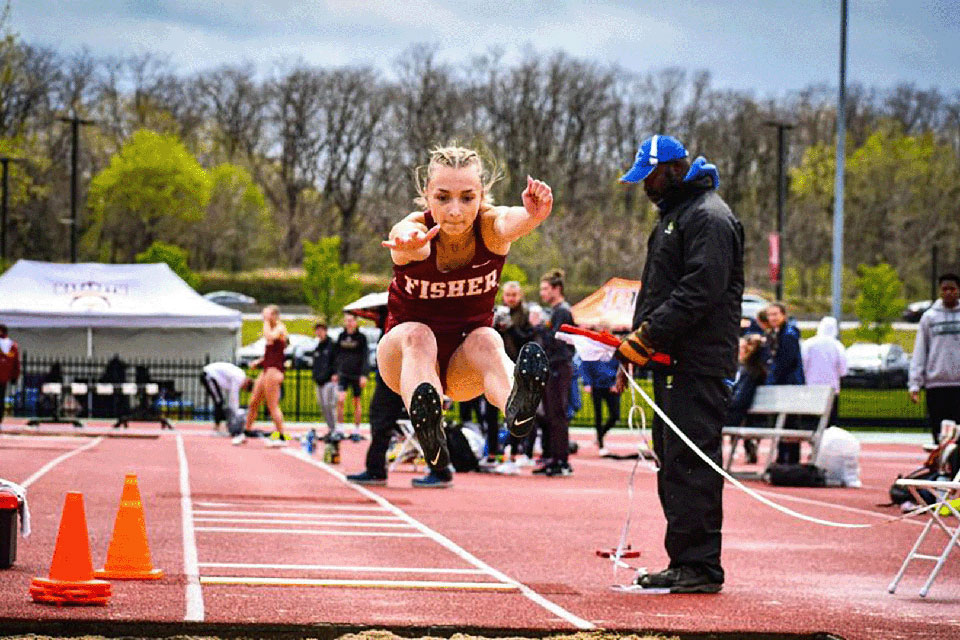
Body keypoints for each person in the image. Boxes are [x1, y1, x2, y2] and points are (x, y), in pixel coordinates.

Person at [377, 144, 552, 488]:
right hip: (404, 360)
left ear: (481, 195)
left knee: (487, 338)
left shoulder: (488, 227)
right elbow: (405, 237)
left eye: (467, 198)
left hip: (461, 365)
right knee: (418, 334)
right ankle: (430, 429)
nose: (455, 211)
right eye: (443, 198)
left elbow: (508, 222)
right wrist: (407, 243)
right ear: (426, 195)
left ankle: (515, 408)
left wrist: (534, 215)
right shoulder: (414, 228)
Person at [614, 134, 743, 593]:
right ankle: (684, 560)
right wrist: (634, 344)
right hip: (671, 361)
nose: (644, 186)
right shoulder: (676, 216)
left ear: (670, 169)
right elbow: (655, 291)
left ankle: (701, 567)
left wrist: (648, 336)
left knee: (692, 464)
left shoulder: (708, 216)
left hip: (697, 363)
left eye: (648, 176)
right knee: (673, 463)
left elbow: (700, 290)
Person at [533, 269, 576, 477]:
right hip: (552, 367)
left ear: (556, 289)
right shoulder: (555, 311)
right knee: (549, 414)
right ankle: (552, 456)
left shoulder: (562, 312)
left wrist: (539, 327)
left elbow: (557, 341)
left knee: (557, 414)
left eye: (545, 289)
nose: (542, 293)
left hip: (559, 366)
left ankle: (561, 460)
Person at [909, 273, 960, 444]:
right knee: (939, 435)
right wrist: (915, 383)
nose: (948, 293)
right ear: (940, 291)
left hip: (958, 385)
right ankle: (941, 468)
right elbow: (920, 351)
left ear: (958, 290)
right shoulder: (930, 318)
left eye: (952, 289)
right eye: (944, 289)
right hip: (936, 385)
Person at [236, 305, 288, 446]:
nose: (264, 317)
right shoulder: (271, 328)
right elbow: (272, 351)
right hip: (266, 369)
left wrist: (266, 322)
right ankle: (245, 432)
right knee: (253, 401)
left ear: (274, 316)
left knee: (272, 405)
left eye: (267, 314)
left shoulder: (280, 327)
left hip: (274, 370)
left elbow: (270, 338)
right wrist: (259, 361)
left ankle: (281, 437)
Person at [765, 302, 806, 463]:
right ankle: (784, 458)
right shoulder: (777, 333)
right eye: (770, 315)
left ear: (783, 315)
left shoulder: (788, 334)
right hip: (784, 386)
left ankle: (790, 460)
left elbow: (786, 362)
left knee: (789, 423)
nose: (772, 318)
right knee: (784, 424)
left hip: (789, 386)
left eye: (775, 314)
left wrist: (773, 380)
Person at [726, 335, 768, 463]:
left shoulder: (750, 371)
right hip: (743, 415)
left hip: (744, 416)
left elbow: (741, 399)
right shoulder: (744, 369)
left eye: (742, 348)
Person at [801, 316, 847, 426]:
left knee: (812, 420)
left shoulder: (809, 343)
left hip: (811, 387)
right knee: (830, 421)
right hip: (831, 388)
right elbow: (843, 369)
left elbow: (803, 364)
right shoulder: (837, 346)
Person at [334, 313, 370, 441]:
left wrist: (364, 375)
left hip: (356, 374)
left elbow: (366, 357)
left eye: (351, 321)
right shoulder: (341, 336)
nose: (349, 323)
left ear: (356, 322)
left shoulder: (361, 338)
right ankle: (340, 428)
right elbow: (336, 354)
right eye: (347, 321)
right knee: (340, 400)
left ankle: (356, 430)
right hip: (343, 373)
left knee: (356, 402)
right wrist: (335, 372)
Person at [580, 346, 621, 456]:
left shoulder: (614, 352)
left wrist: (615, 383)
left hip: (611, 387)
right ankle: (601, 444)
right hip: (596, 386)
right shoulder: (592, 351)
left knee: (615, 415)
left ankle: (600, 435)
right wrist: (587, 383)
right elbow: (585, 366)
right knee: (598, 416)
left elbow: (620, 368)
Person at [201, 361, 253, 434]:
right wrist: (236, 413)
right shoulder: (239, 378)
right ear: (247, 383)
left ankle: (221, 424)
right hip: (209, 375)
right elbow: (233, 396)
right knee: (219, 401)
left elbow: (230, 393)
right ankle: (217, 426)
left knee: (220, 401)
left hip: (211, 374)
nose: (242, 388)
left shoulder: (240, 375)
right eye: (244, 388)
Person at [310, 321, 339, 438]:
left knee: (329, 404)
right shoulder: (318, 347)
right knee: (322, 405)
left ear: (325, 331)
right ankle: (330, 428)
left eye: (321, 330)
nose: (319, 332)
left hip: (329, 380)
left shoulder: (331, 345)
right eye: (317, 330)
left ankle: (335, 429)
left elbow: (337, 360)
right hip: (319, 380)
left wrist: (336, 373)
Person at [0, 324, 20, 426]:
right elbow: (16, 363)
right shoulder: (12, 345)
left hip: (3, 374)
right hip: (4, 375)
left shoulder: (12, 345)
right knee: (1, 396)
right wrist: (14, 376)